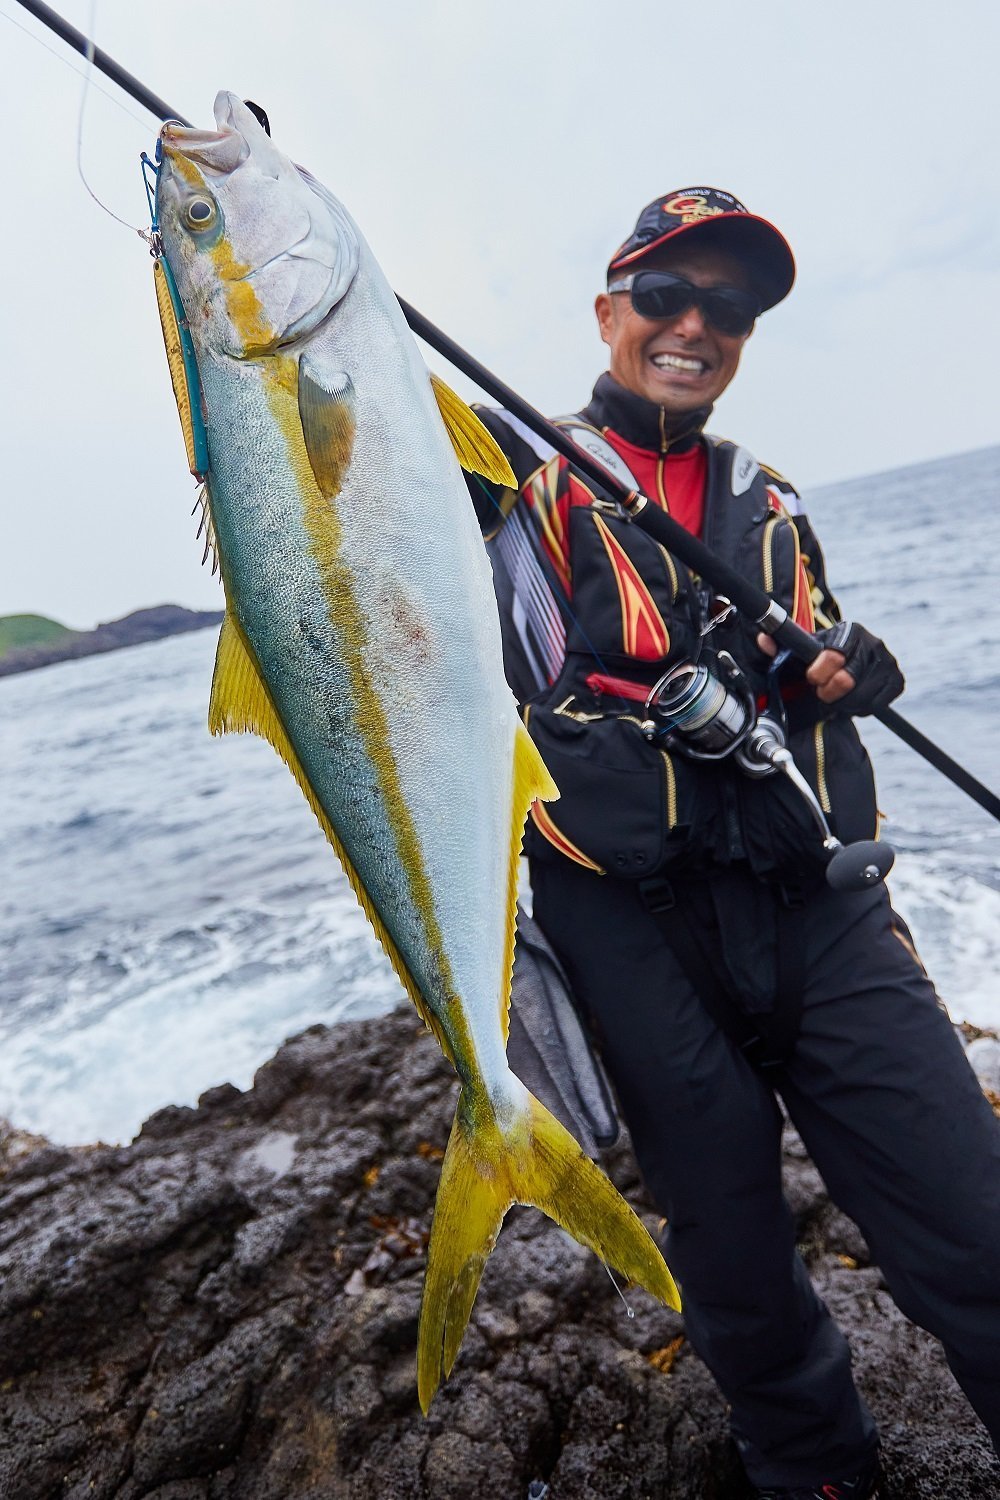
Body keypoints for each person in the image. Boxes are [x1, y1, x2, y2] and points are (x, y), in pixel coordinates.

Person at [466, 187, 1000, 1500]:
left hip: (814, 905)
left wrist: (848, 666)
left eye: (731, 305)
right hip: (624, 926)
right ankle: (818, 1475)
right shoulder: (500, 477)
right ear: (610, 312)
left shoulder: (773, 498)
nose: (695, 323)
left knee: (978, 1224)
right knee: (736, 1265)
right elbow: (344, 514)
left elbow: (801, 656)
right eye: (665, 294)